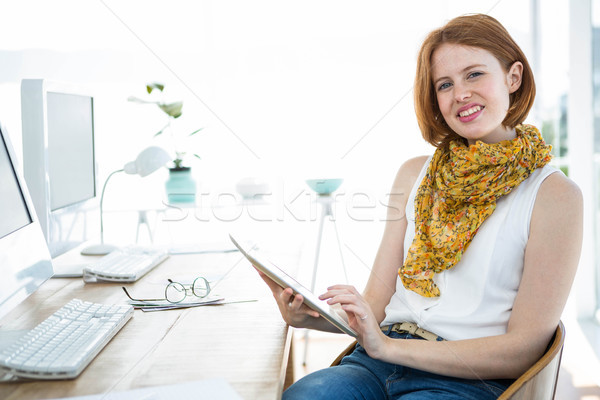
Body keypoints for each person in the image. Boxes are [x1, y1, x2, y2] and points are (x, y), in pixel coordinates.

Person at [257, 13, 583, 399]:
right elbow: (376, 309)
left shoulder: (554, 195)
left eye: (474, 74)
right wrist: (311, 318)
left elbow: (523, 350)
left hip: (463, 380)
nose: (460, 93)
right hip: (373, 365)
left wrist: (389, 346)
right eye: (445, 84)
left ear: (513, 77)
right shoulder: (414, 174)